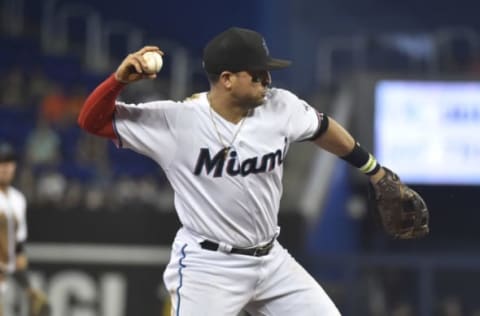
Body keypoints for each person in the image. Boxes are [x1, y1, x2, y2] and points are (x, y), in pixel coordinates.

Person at [78, 27, 405, 316]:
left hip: (271, 259)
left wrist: (374, 171)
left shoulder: (281, 106)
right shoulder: (177, 122)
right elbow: (91, 122)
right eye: (258, 74)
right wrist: (118, 81)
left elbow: (322, 128)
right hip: (209, 267)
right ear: (227, 79)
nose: (268, 80)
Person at [0, 142, 49, 316]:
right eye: (0, 163)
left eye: (8, 162)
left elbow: (17, 253)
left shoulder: (18, 200)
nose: (5, 167)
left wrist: (29, 289)